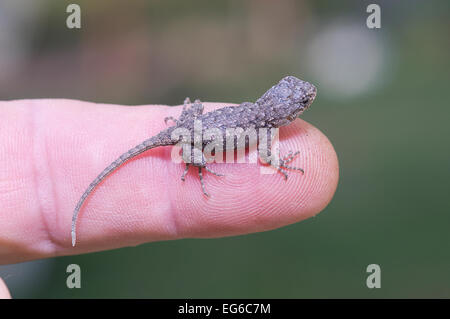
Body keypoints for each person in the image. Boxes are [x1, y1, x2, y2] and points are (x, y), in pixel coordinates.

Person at [0, 99, 339, 298]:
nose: (305, 103)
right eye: (301, 104)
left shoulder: (254, 110)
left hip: (191, 128)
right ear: (286, 116)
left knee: (196, 117)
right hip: (190, 141)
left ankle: (192, 138)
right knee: (198, 158)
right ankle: (197, 166)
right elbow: (268, 157)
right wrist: (278, 163)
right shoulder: (265, 128)